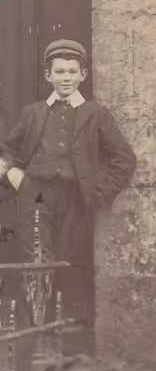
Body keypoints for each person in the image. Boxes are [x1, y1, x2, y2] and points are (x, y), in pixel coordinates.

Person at [0, 40, 136, 275]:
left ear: (82, 75)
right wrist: (12, 172)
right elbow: (6, 149)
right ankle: (39, 300)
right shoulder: (33, 113)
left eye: (72, 72)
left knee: (69, 262)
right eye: (60, 71)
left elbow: (125, 159)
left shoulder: (96, 114)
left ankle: (65, 299)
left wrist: (97, 192)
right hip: (36, 196)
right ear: (48, 75)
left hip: (76, 198)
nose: (66, 78)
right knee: (37, 259)